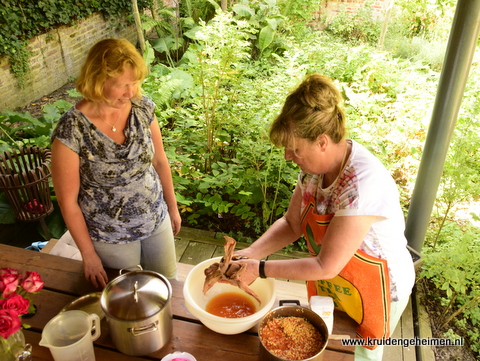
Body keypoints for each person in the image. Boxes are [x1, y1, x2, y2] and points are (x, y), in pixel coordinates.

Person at [234, 73, 415, 360]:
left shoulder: (361, 185)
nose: (288, 158)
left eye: (295, 150)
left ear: (322, 142)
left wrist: (261, 269)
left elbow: (324, 264)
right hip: (339, 280)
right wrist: (250, 253)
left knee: (365, 353)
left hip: (379, 287)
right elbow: (292, 223)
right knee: (329, 344)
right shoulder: (312, 172)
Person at [51, 38, 181, 288]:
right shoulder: (71, 131)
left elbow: (160, 161)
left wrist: (172, 208)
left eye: (134, 83)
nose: (130, 92)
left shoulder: (142, 108)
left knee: (168, 287)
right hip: (110, 235)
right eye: (122, 85)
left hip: (155, 218)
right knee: (129, 295)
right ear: (98, 81)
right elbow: (68, 203)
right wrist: (88, 256)